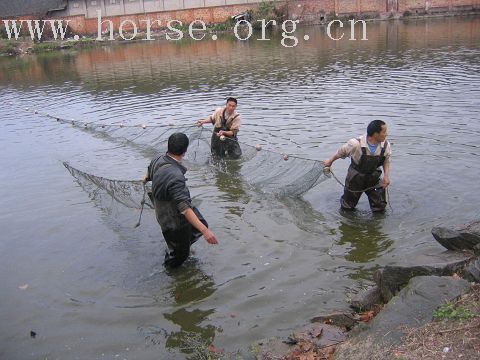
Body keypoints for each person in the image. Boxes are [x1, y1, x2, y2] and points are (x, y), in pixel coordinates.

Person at [144, 132, 218, 267]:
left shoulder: (158, 158)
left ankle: (181, 246)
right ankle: (170, 271)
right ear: (184, 151)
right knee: (179, 256)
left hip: (161, 208)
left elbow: (148, 174)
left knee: (200, 223)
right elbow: (184, 208)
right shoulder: (176, 176)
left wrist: (148, 178)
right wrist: (205, 232)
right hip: (171, 219)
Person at [323, 120, 391, 212]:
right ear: (375, 134)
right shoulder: (355, 144)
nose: (386, 134)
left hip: (373, 176)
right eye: (384, 132)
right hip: (356, 177)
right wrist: (330, 161)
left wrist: (386, 176)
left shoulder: (386, 145)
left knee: (380, 207)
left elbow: (386, 160)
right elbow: (340, 153)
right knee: (347, 206)